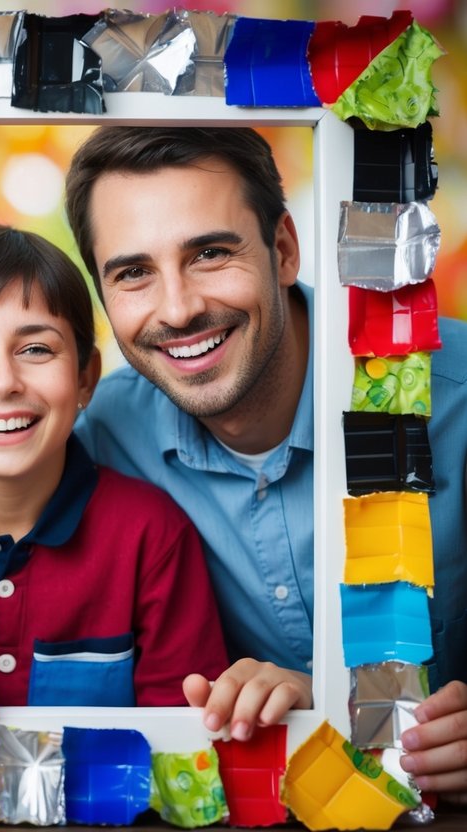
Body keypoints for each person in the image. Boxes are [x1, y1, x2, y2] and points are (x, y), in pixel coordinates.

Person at [66, 126, 467, 801]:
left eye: (210, 253)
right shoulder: (98, 440)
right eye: (133, 273)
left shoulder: (451, 399)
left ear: (282, 250)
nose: (179, 308)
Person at [0, 224, 228, 732]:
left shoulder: (152, 532)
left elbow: (187, 742)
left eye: (36, 349)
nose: (2, 382)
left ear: (86, 378)